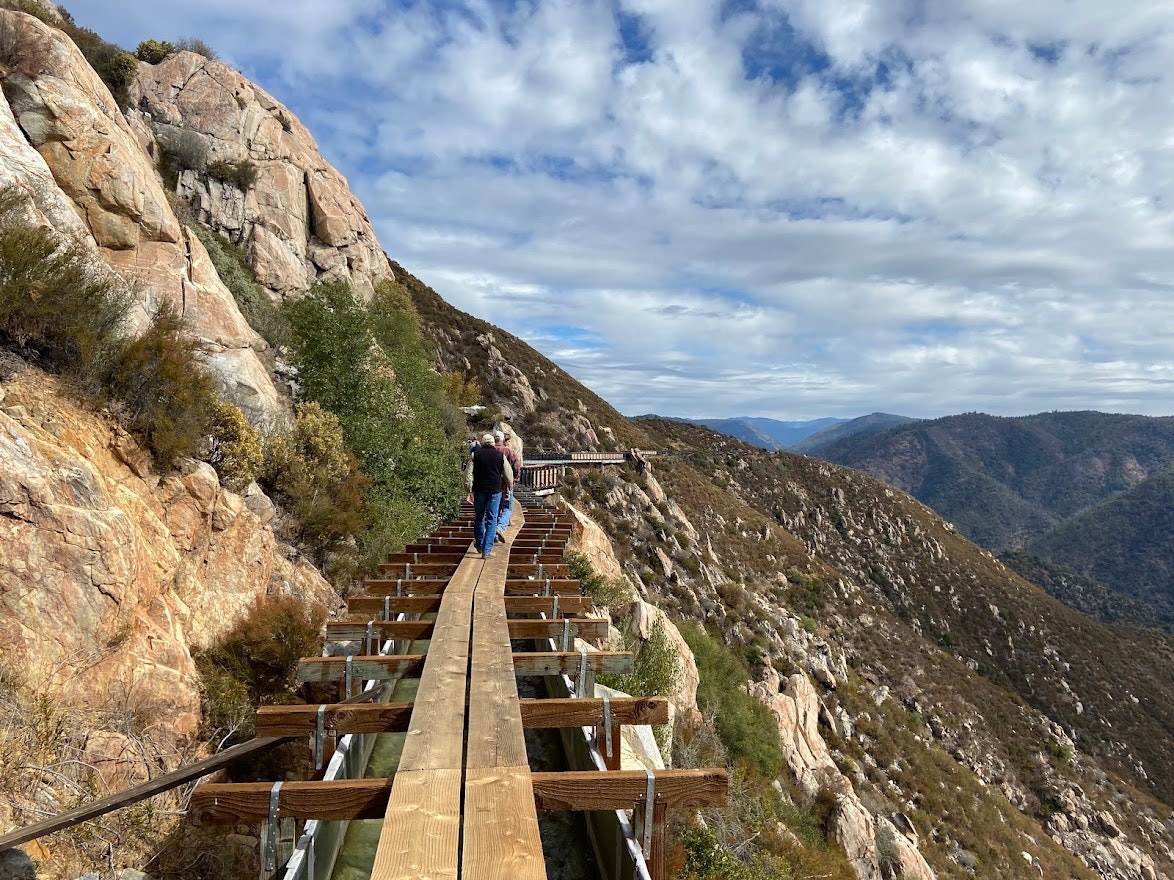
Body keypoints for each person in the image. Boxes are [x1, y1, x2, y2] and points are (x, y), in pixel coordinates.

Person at [464, 432, 513, 559]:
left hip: (479, 490)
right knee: (492, 519)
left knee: (479, 517)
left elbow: (468, 475)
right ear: (492, 443)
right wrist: (509, 487)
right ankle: (486, 551)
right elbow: (508, 474)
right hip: (495, 491)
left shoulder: (475, 455)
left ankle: (479, 544)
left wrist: (468, 490)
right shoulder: (500, 456)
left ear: (483, 442)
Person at [493, 428, 522, 543]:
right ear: (504, 440)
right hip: (506, 484)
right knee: (507, 508)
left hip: (492, 485)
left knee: (496, 509)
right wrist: (515, 479)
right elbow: (516, 466)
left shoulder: (489, 451)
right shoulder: (509, 452)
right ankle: (500, 527)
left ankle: (494, 534)